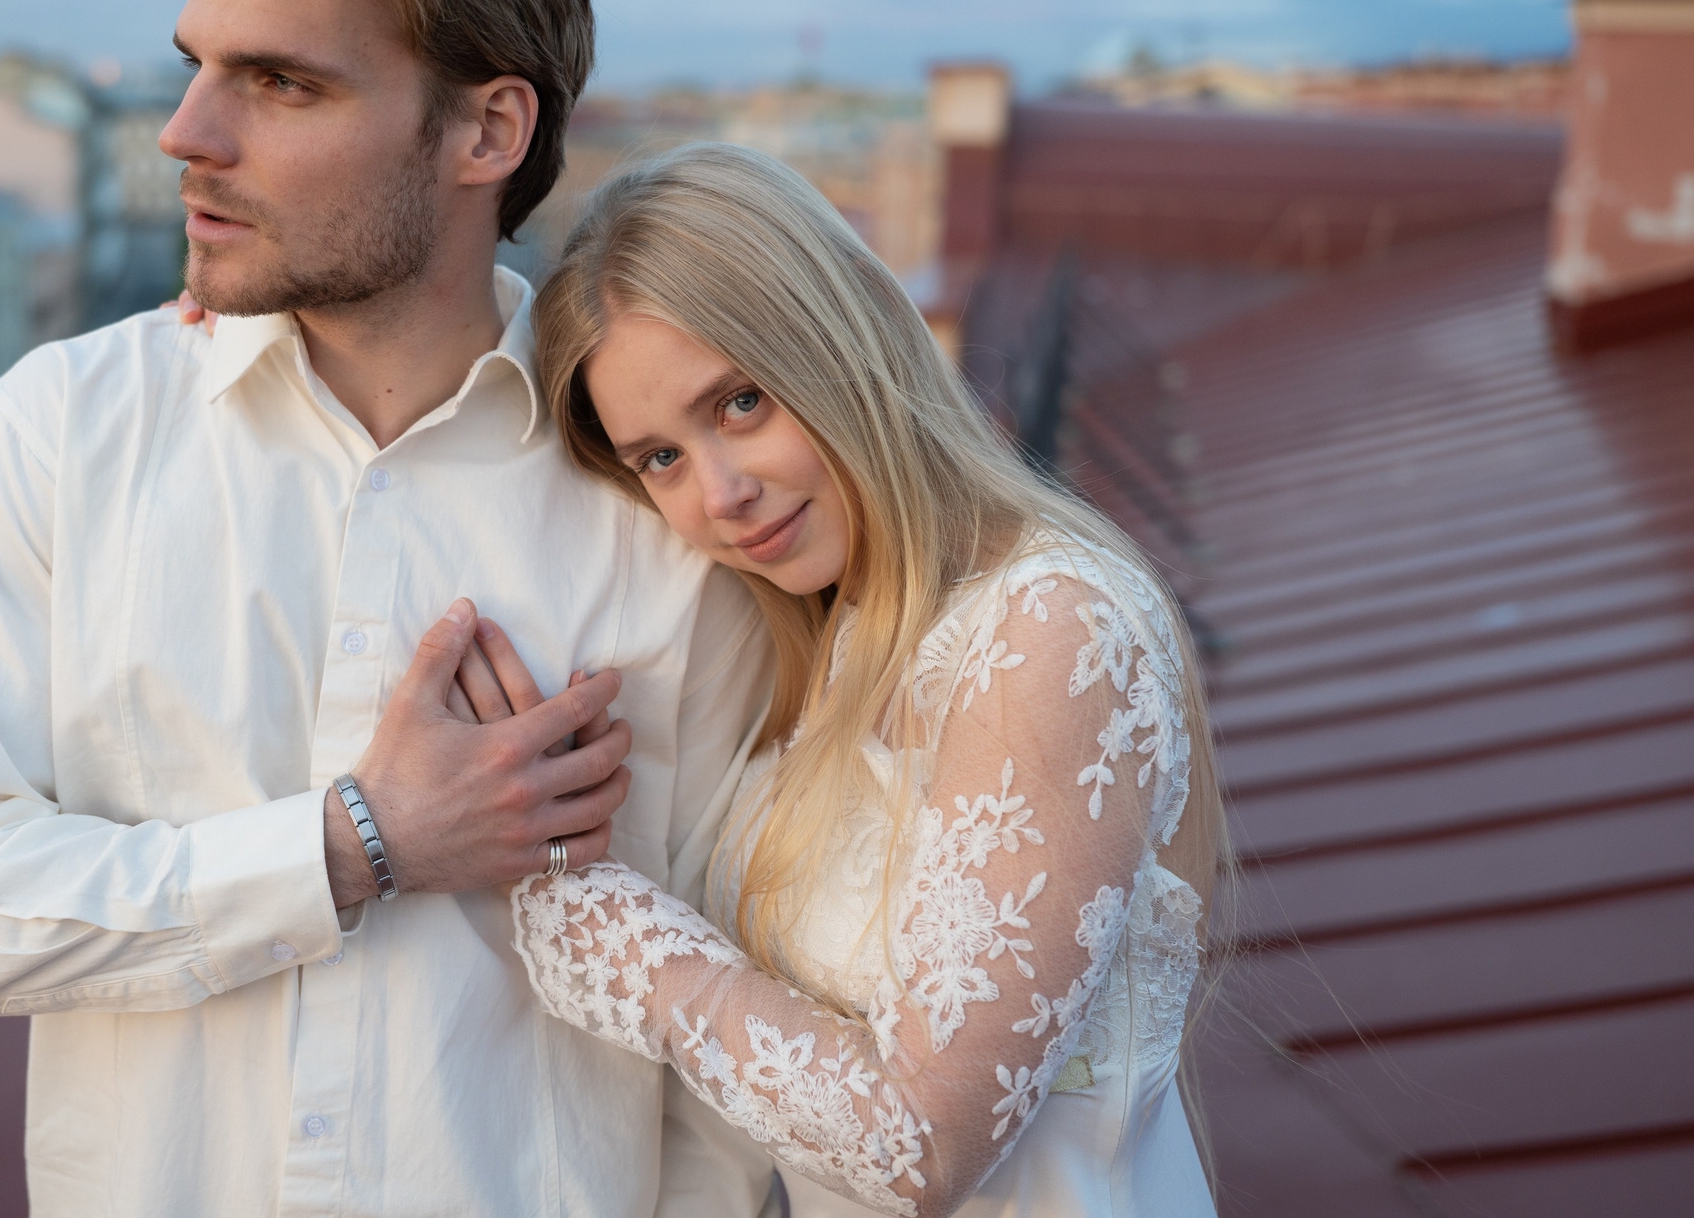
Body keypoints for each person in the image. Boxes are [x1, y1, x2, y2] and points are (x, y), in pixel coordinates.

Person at [0, 0, 776, 1215]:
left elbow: (719, 1073)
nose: (184, 132)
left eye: (282, 82)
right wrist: (351, 842)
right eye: (195, 63)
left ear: (486, 128)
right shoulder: (59, 433)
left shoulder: (662, 503)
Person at [494, 142, 1225, 1217]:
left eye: (739, 402)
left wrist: (624, 947)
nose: (722, 493)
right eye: (660, 459)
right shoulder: (835, 641)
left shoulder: (1052, 627)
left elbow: (917, 1145)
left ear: (840, 340)